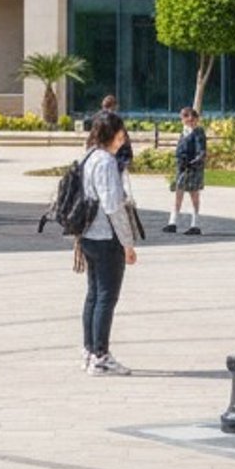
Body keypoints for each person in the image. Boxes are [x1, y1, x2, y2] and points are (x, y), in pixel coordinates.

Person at [79, 111, 139, 377]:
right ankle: (100, 356)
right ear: (113, 134)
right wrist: (128, 243)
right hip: (106, 237)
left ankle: (90, 350)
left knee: (94, 295)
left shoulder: (88, 157)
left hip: (88, 235)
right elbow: (113, 206)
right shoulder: (105, 162)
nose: (124, 138)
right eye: (121, 133)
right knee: (106, 297)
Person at [165, 108, 205, 235]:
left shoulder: (198, 132)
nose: (188, 122)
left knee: (194, 195)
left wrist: (192, 163)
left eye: (191, 120)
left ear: (195, 119)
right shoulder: (184, 132)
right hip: (182, 167)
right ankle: (172, 222)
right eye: (185, 119)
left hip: (192, 168)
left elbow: (201, 151)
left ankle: (195, 224)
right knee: (178, 193)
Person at [99, 95, 136, 169]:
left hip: (101, 155)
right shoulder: (115, 119)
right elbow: (124, 138)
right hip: (116, 156)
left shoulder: (98, 119)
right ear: (114, 106)